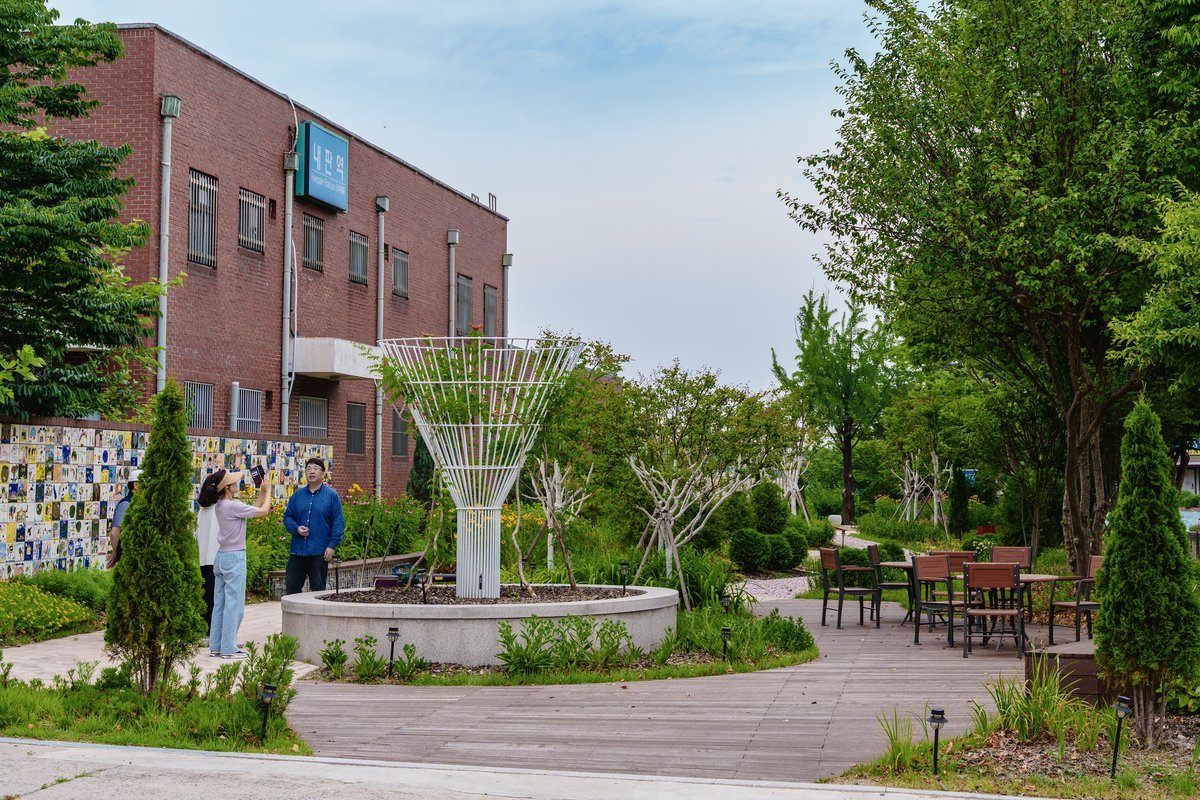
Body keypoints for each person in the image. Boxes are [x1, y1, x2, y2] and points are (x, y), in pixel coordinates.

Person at [210, 468, 272, 659]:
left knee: (220, 604)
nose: (237, 484)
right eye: (234, 482)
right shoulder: (233, 506)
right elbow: (263, 511)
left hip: (221, 557)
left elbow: (250, 510)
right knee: (234, 605)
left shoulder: (222, 505)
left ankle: (217, 645)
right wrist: (269, 491)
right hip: (234, 558)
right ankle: (229, 648)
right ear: (227, 488)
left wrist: (262, 493)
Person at [282, 457, 345, 594]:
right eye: (308, 469)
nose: (311, 471)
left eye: (316, 469)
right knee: (291, 588)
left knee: (317, 590)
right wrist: (297, 528)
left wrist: (332, 545)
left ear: (323, 474)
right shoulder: (297, 495)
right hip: (297, 551)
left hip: (319, 552)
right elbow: (287, 517)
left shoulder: (331, 496)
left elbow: (338, 522)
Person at [195, 471, 223, 628]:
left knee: (207, 596)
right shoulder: (220, 508)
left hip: (204, 558)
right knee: (217, 599)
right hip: (217, 558)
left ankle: (207, 629)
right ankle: (214, 632)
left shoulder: (203, 510)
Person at [105, 468, 141, 569]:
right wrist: (117, 555)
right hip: (127, 556)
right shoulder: (125, 504)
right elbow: (115, 532)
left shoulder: (141, 504)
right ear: (136, 485)